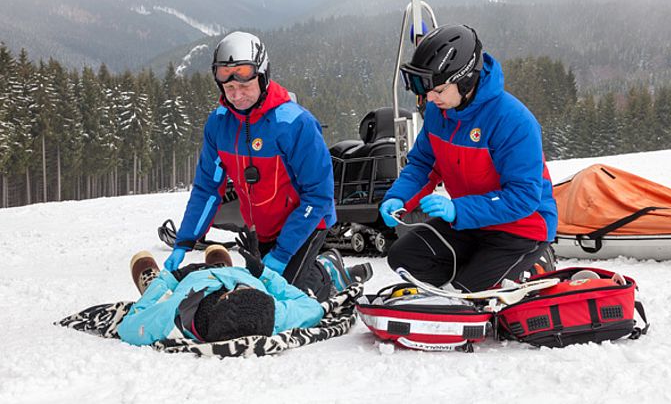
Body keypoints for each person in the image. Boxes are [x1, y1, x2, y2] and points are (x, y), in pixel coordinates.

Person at [164, 31, 368, 300]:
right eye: (229, 88)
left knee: (285, 298)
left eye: (245, 87)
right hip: (259, 228)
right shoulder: (219, 124)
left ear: (262, 76)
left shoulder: (295, 123)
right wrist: (185, 241)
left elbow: (318, 195)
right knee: (252, 294)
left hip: (305, 224)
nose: (237, 96)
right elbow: (207, 188)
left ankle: (328, 270)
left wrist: (282, 254)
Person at [379, 24, 558, 292]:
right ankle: (473, 275)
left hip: (520, 229)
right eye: (426, 90)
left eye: (438, 90)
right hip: (470, 224)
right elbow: (422, 165)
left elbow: (523, 197)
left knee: (465, 297)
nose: (430, 97)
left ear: (465, 81)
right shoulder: (437, 114)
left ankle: (531, 264)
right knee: (403, 257)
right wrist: (399, 198)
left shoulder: (513, 121)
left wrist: (459, 210)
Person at [119, 233, 333, 346]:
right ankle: (223, 267)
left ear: (225, 296)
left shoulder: (171, 315)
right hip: (232, 274)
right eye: (246, 288)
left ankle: (152, 282)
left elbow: (128, 327)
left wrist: (168, 280)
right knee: (221, 260)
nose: (240, 286)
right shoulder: (274, 316)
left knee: (158, 294)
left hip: (191, 283)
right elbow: (312, 307)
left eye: (239, 288)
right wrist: (262, 274)